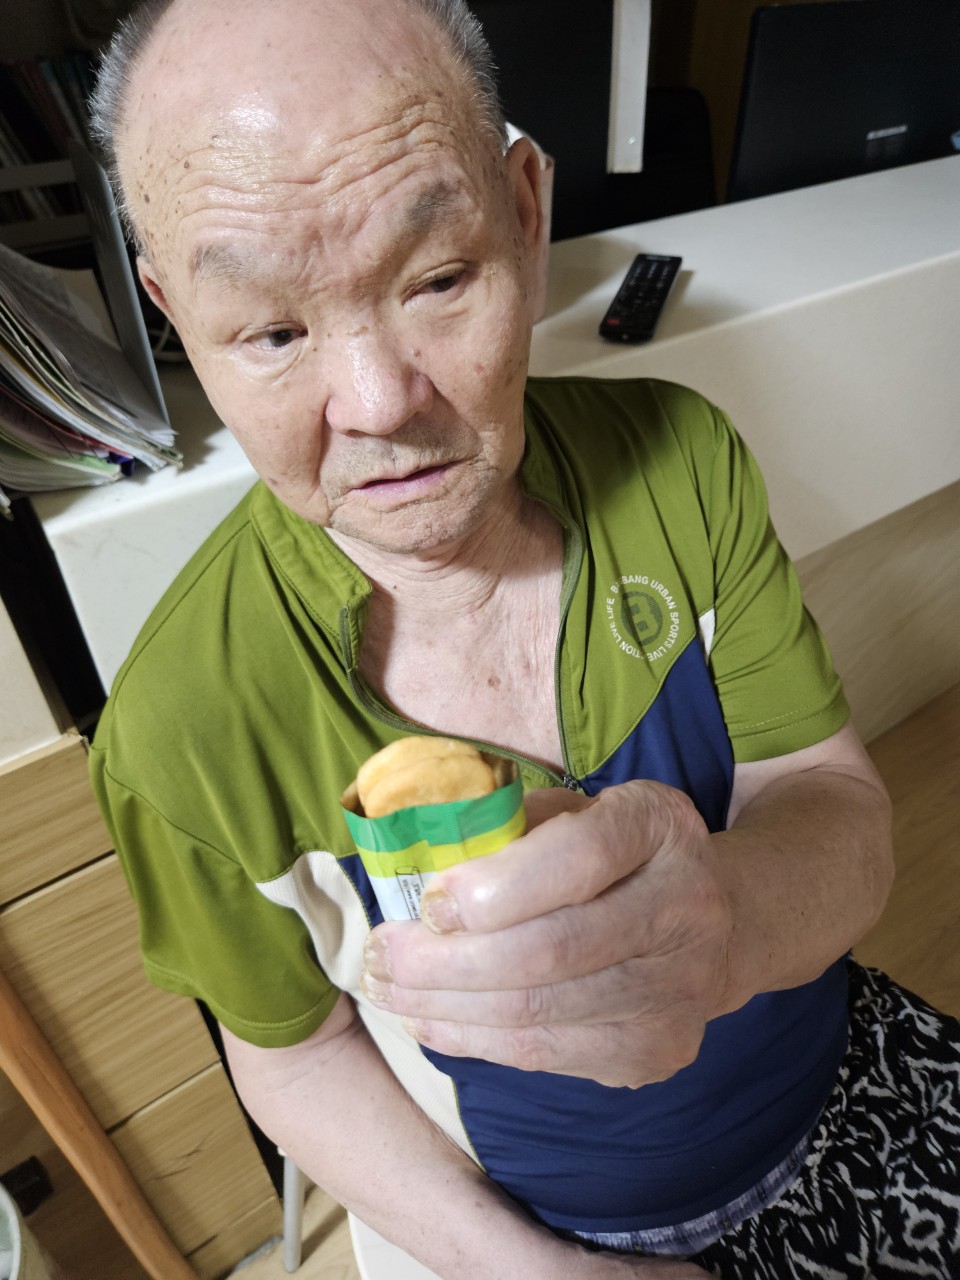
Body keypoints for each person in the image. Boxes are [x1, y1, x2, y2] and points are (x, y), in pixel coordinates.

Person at [86, 0, 960, 1276]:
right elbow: (292, 1050)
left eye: (438, 280)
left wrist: (726, 919)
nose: (380, 404)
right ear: (173, 311)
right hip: (539, 1230)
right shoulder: (180, 724)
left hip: (840, 1079)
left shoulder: (683, 463)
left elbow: (835, 802)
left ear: (526, 212)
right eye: (273, 332)